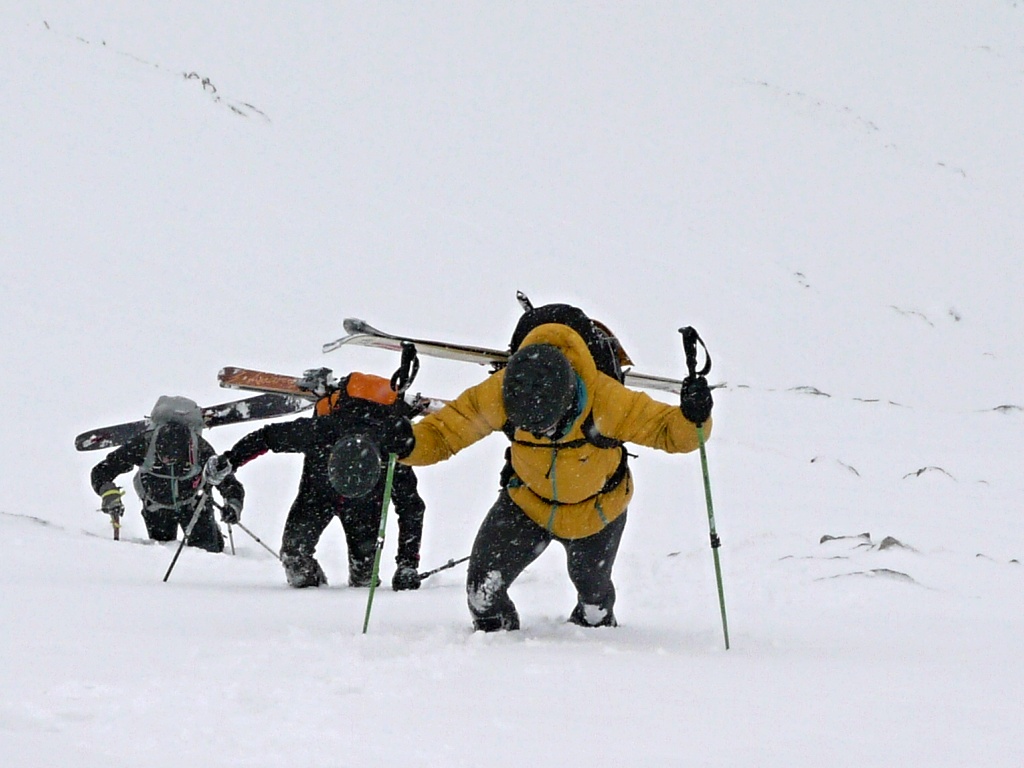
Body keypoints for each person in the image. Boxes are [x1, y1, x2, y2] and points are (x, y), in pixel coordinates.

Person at [396, 302, 714, 631]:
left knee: (594, 603)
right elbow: (446, 432)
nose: (542, 434)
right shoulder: (503, 391)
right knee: (482, 594)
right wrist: (408, 444)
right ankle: (495, 646)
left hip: (597, 510)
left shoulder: (607, 400)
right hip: (527, 503)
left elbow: (671, 433)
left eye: (549, 426)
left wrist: (694, 417)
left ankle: (595, 635)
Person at [208, 370, 426, 590]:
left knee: (364, 579)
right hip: (318, 496)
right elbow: (267, 437)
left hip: (365, 509)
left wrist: (407, 565)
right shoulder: (322, 431)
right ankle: (310, 600)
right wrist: (231, 460)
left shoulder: (392, 456)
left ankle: (349, 602)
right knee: (294, 556)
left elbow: (412, 509)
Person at [91, 395, 244, 552]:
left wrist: (233, 505)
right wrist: (109, 494)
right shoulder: (143, 444)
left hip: (193, 502)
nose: (166, 460)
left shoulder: (201, 449)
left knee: (209, 550)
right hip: (156, 506)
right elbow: (102, 472)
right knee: (162, 551)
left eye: (172, 458)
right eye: (162, 456)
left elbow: (228, 481)